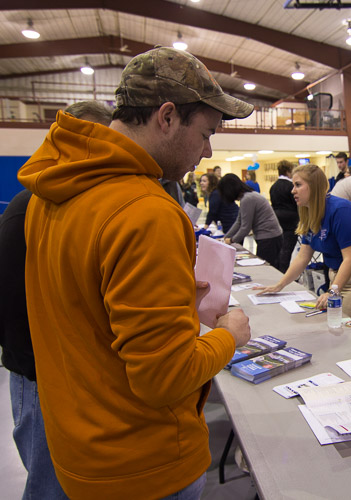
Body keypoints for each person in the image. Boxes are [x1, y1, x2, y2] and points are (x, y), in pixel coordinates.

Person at [17, 47, 253, 499]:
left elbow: (84, 309)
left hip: (79, 450)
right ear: (167, 116)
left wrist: (168, 296)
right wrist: (229, 336)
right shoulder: (146, 211)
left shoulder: (52, 193)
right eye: (206, 134)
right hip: (145, 463)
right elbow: (164, 377)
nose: (207, 151)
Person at [0, 101, 112, 500]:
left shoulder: (69, 203)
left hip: (67, 374)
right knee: (51, 487)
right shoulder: (33, 206)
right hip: (40, 376)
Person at [258, 165, 351, 329]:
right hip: (339, 279)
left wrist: (332, 292)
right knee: (334, 329)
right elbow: (303, 256)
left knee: (348, 332)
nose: (292, 191)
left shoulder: (341, 211)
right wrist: (280, 285)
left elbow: (350, 258)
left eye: (298, 185)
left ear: (314, 186)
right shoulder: (310, 213)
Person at [220, 173, 283, 268]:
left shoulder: (247, 199)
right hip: (269, 237)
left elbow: (245, 227)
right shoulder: (247, 197)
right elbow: (239, 221)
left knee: (265, 268)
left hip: (269, 238)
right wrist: (225, 238)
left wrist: (231, 240)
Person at [270, 159, 300, 273]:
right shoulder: (291, 186)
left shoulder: (273, 186)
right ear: (288, 171)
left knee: (279, 248)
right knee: (287, 248)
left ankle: (277, 270)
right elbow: (296, 204)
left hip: (276, 218)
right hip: (291, 220)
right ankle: (283, 272)